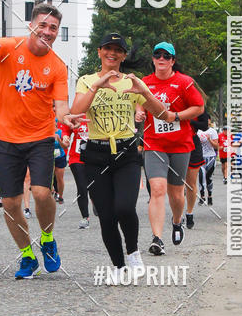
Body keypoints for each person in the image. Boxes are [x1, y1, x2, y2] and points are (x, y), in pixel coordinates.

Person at [0, 2, 81, 279]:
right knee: (10, 203)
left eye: (53, 28)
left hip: (40, 137)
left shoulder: (57, 66)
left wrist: (66, 119)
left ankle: (47, 238)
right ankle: (28, 256)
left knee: (42, 193)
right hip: (5, 138)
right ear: (31, 26)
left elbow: (61, 107)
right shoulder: (10, 47)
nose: (47, 31)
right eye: (42, 25)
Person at [71, 33, 173, 274]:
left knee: (125, 208)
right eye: (108, 48)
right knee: (106, 216)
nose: (112, 53)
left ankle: (133, 251)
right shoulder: (86, 81)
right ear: (99, 51)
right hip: (96, 154)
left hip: (126, 152)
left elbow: (163, 115)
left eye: (118, 50)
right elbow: (75, 111)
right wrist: (96, 86)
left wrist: (145, 93)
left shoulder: (132, 82)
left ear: (124, 56)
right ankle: (118, 266)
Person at [142, 42, 204, 255]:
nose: (162, 59)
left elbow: (199, 107)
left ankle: (177, 221)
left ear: (173, 61)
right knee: (157, 188)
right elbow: (139, 102)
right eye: (157, 55)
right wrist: (139, 112)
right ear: (153, 59)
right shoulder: (145, 82)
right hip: (154, 143)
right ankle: (157, 239)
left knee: (176, 193)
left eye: (166, 56)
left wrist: (175, 116)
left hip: (180, 144)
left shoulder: (184, 82)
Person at [60, 117, 90, 228]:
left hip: (96, 157)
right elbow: (66, 128)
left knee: (96, 187)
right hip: (77, 158)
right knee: (82, 187)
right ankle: (85, 217)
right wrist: (65, 137)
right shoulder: (76, 114)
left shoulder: (99, 112)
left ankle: (96, 202)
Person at [184, 111, 207, 229]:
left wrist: (188, 119)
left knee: (191, 183)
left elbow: (204, 125)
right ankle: (177, 213)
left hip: (193, 143)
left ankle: (189, 212)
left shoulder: (198, 107)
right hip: (176, 143)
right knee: (177, 183)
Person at [198, 118, 218, 206]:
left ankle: (210, 196)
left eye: (207, 119)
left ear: (209, 121)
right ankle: (202, 197)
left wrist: (209, 139)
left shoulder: (212, 131)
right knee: (201, 177)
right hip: (200, 158)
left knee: (208, 178)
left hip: (211, 158)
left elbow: (216, 146)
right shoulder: (197, 131)